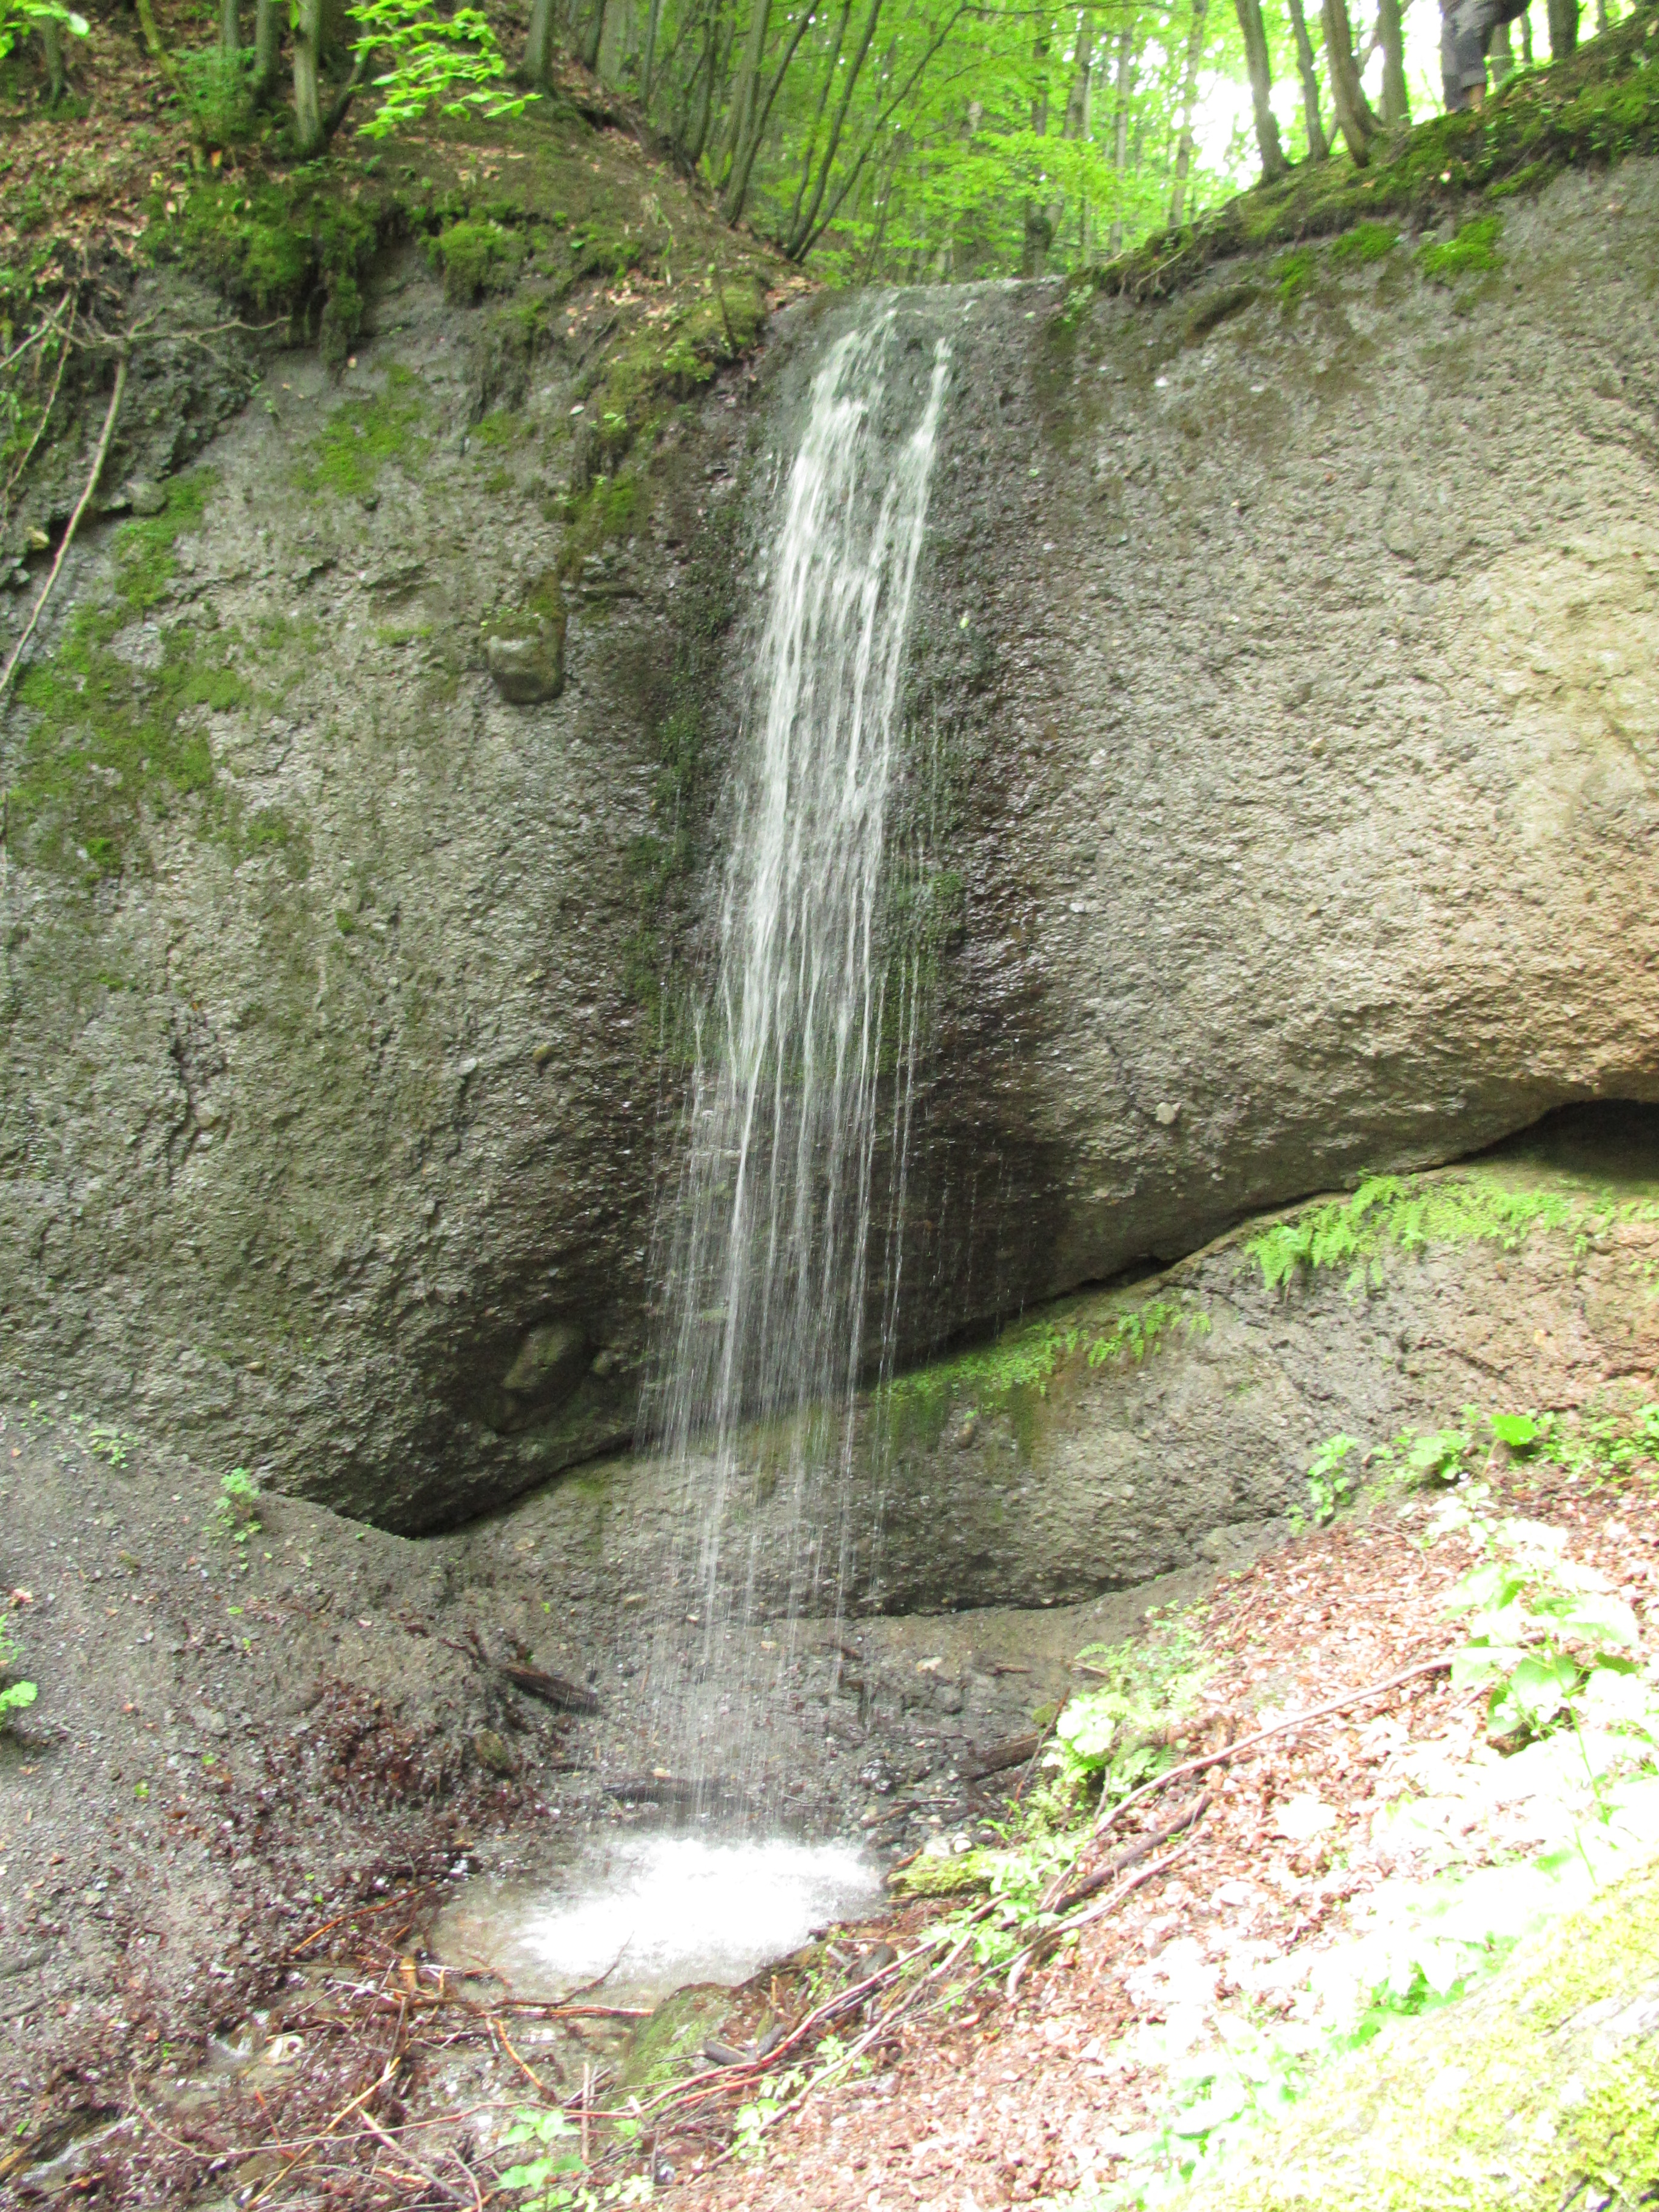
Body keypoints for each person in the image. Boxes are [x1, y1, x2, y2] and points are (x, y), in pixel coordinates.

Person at [1441, 0, 1532, 109]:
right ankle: (1458, 114)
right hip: (1450, 8)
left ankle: (1477, 108)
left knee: (1467, 39)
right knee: (1450, 72)